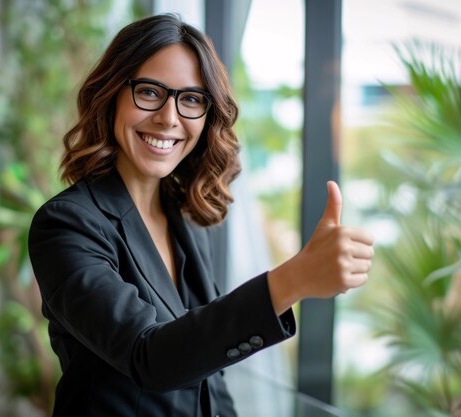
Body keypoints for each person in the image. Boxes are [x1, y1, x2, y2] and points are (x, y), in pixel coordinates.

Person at [28, 13, 375, 417]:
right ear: (111, 95)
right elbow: (149, 357)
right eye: (150, 92)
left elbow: (209, 374)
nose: (169, 117)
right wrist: (294, 279)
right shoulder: (66, 224)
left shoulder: (183, 216)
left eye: (191, 99)